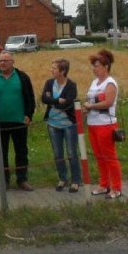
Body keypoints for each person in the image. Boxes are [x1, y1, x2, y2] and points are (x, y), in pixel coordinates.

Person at [0, 51, 36, 190]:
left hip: (19, 121)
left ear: (12, 62)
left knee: (21, 151)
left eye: (5, 60)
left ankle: (22, 179)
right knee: (1, 152)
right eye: (0, 61)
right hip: (0, 123)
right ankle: (4, 180)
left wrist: (29, 114)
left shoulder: (22, 77)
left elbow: (30, 97)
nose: (2, 63)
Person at [83, 49, 123, 199]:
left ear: (106, 67)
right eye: (93, 66)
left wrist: (90, 106)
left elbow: (108, 102)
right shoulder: (94, 82)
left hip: (106, 124)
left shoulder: (110, 83)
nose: (94, 69)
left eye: (97, 65)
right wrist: (87, 109)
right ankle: (103, 184)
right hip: (93, 124)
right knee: (99, 157)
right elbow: (92, 101)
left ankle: (117, 188)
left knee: (110, 157)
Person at [40, 58, 81, 193]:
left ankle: (75, 180)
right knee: (58, 154)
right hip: (53, 123)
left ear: (62, 71)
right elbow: (44, 99)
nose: (51, 70)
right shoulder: (49, 83)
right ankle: (62, 178)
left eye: (54, 68)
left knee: (71, 153)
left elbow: (68, 103)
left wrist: (52, 101)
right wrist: (57, 100)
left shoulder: (71, 85)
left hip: (69, 124)